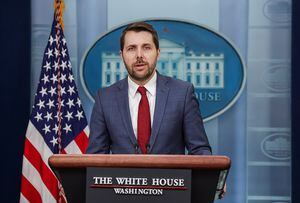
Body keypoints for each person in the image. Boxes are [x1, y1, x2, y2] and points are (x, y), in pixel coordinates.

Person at [86, 22, 211, 155]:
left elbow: (200, 150)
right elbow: (96, 157)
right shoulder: (105, 99)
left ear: (158, 53)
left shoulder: (183, 93)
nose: (139, 55)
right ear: (121, 55)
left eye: (146, 48)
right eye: (131, 48)